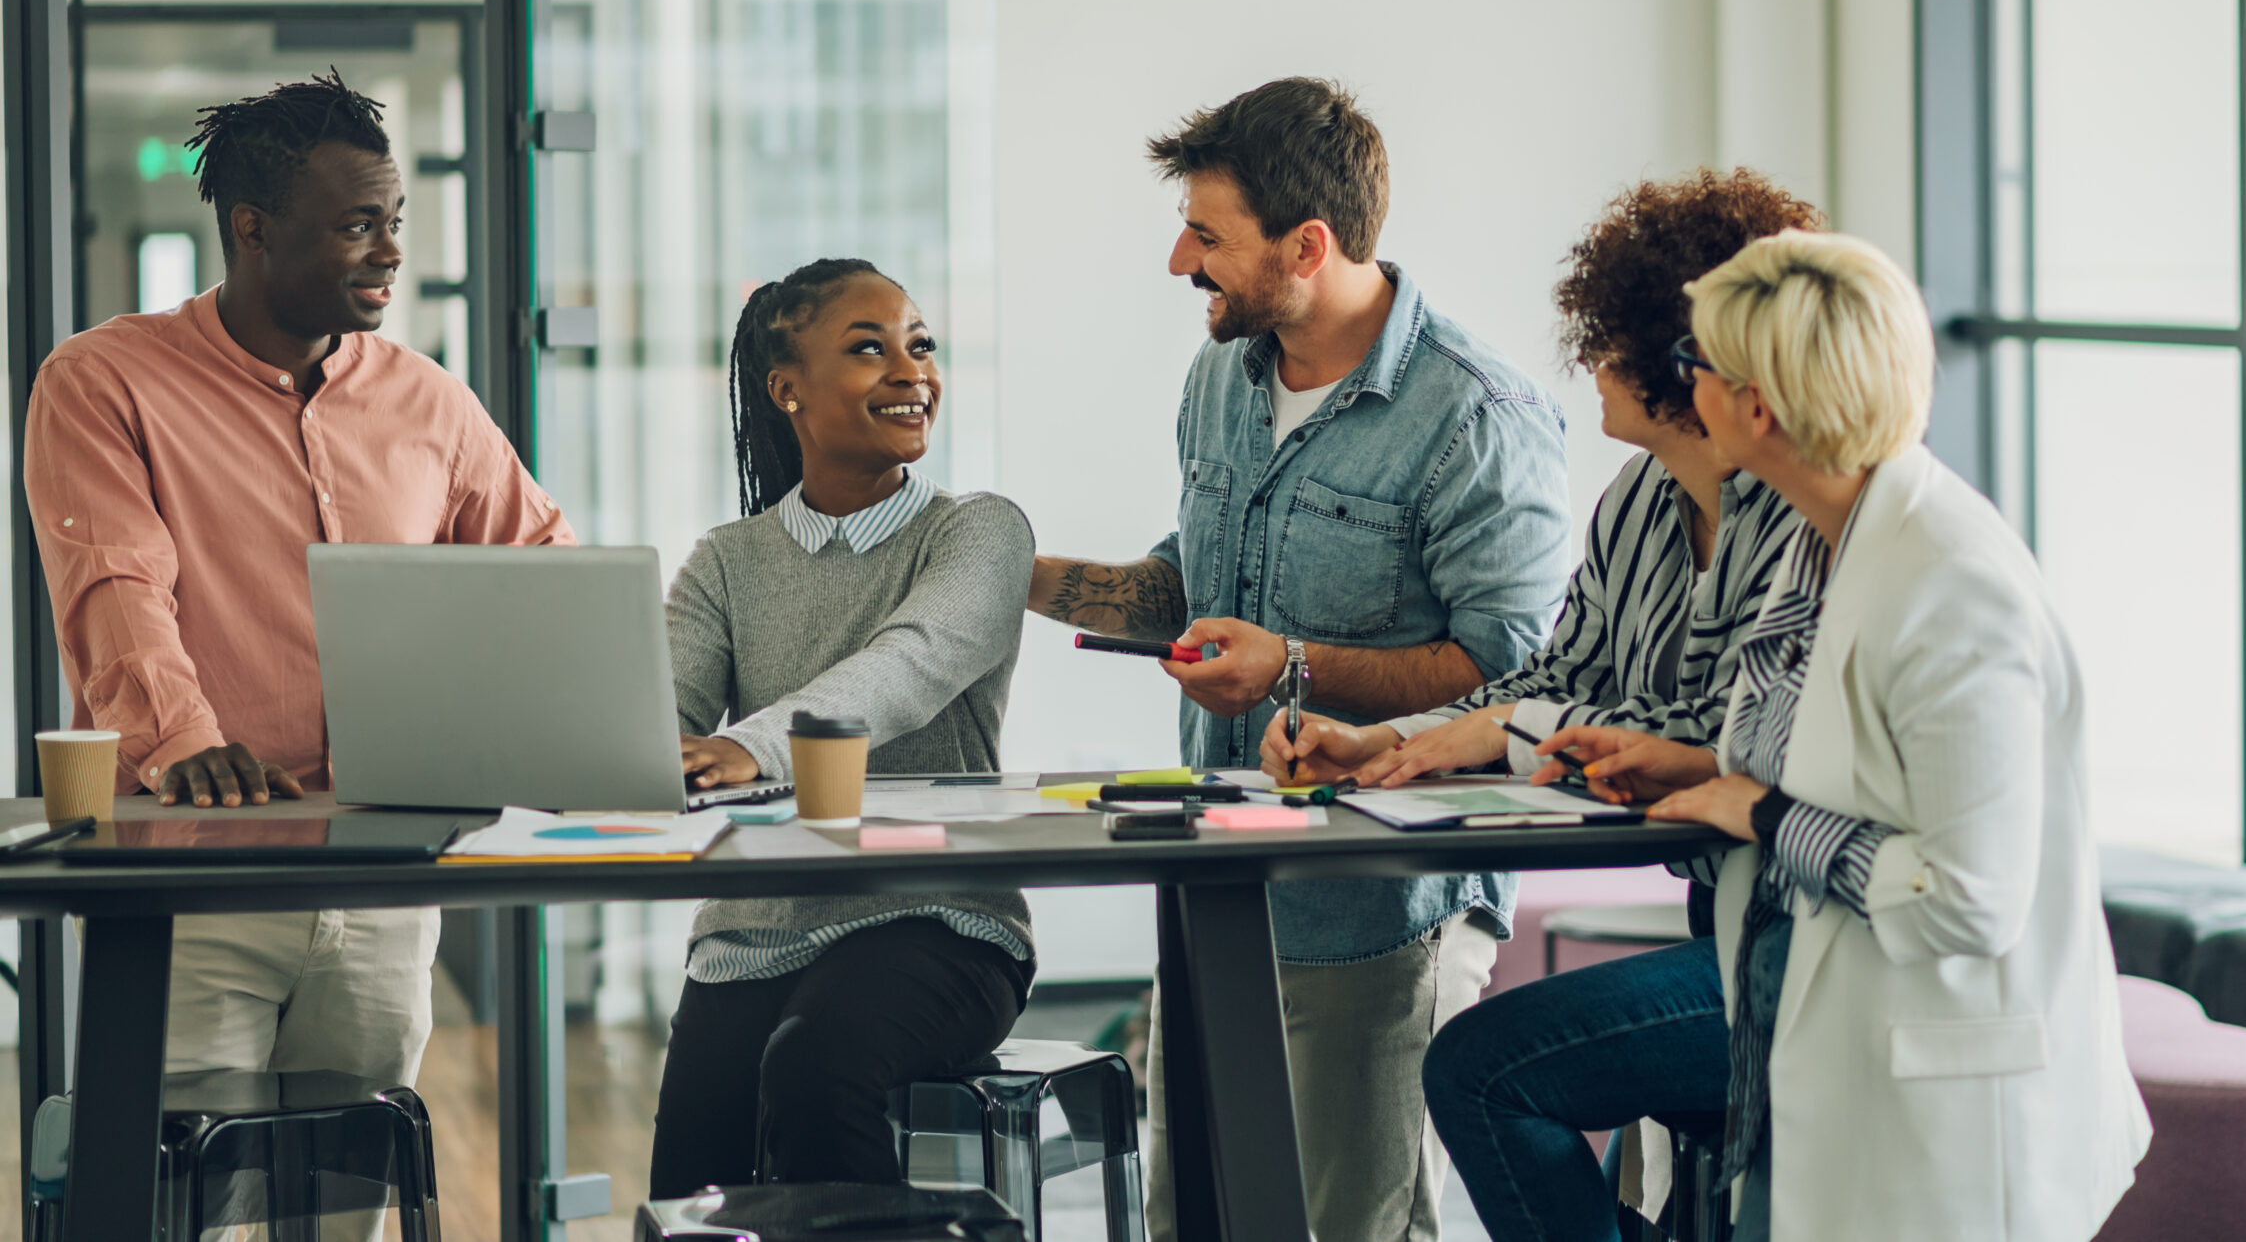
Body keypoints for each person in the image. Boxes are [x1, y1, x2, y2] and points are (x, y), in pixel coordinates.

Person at [1436, 230, 2150, 1241]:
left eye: (1698, 365)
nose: (1682, 383)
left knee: (1489, 1070)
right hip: (1807, 1022)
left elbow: (1969, 899)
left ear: (1754, 405)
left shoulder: (1952, 586)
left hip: (1939, 1092)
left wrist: (1761, 810)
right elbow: (1851, 766)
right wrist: (1701, 765)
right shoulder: (1827, 543)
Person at [1027, 78, 1575, 1242]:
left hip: (1380, 912)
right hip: (1218, 891)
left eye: (1208, 234)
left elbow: (1516, 673)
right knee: (1202, 1217)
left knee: (1352, 1228)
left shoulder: (1476, 415)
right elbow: (1194, 585)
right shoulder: (1219, 379)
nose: (1182, 257)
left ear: (1307, 244)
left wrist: (1296, 667)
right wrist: (1005, 566)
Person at [23, 70, 573, 1090]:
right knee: (183, 1181)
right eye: (358, 224)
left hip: (384, 865)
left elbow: (544, 573)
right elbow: (116, 587)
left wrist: (593, 727)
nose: (392, 250)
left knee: (346, 1186)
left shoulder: (428, 399)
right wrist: (185, 742)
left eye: (396, 219)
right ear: (253, 228)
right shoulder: (103, 381)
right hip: (197, 861)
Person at [648, 257, 1038, 1196]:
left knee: (814, 1065)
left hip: (941, 919)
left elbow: (906, 667)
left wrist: (751, 746)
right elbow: (657, 723)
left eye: (920, 346)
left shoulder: (980, 533)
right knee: (692, 1181)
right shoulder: (728, 562)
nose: (912, 372)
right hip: (755, 928)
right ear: (787, 388)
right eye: (870, 350)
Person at [1263, 169, 1818, 809]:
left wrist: (1508, 727)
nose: (1592, 359)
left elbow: (1727, 736)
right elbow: (1558, 680)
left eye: (1616, 332)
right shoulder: (1637, 497)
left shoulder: (1805, 515)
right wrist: (1384, 743)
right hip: (1715, 890)